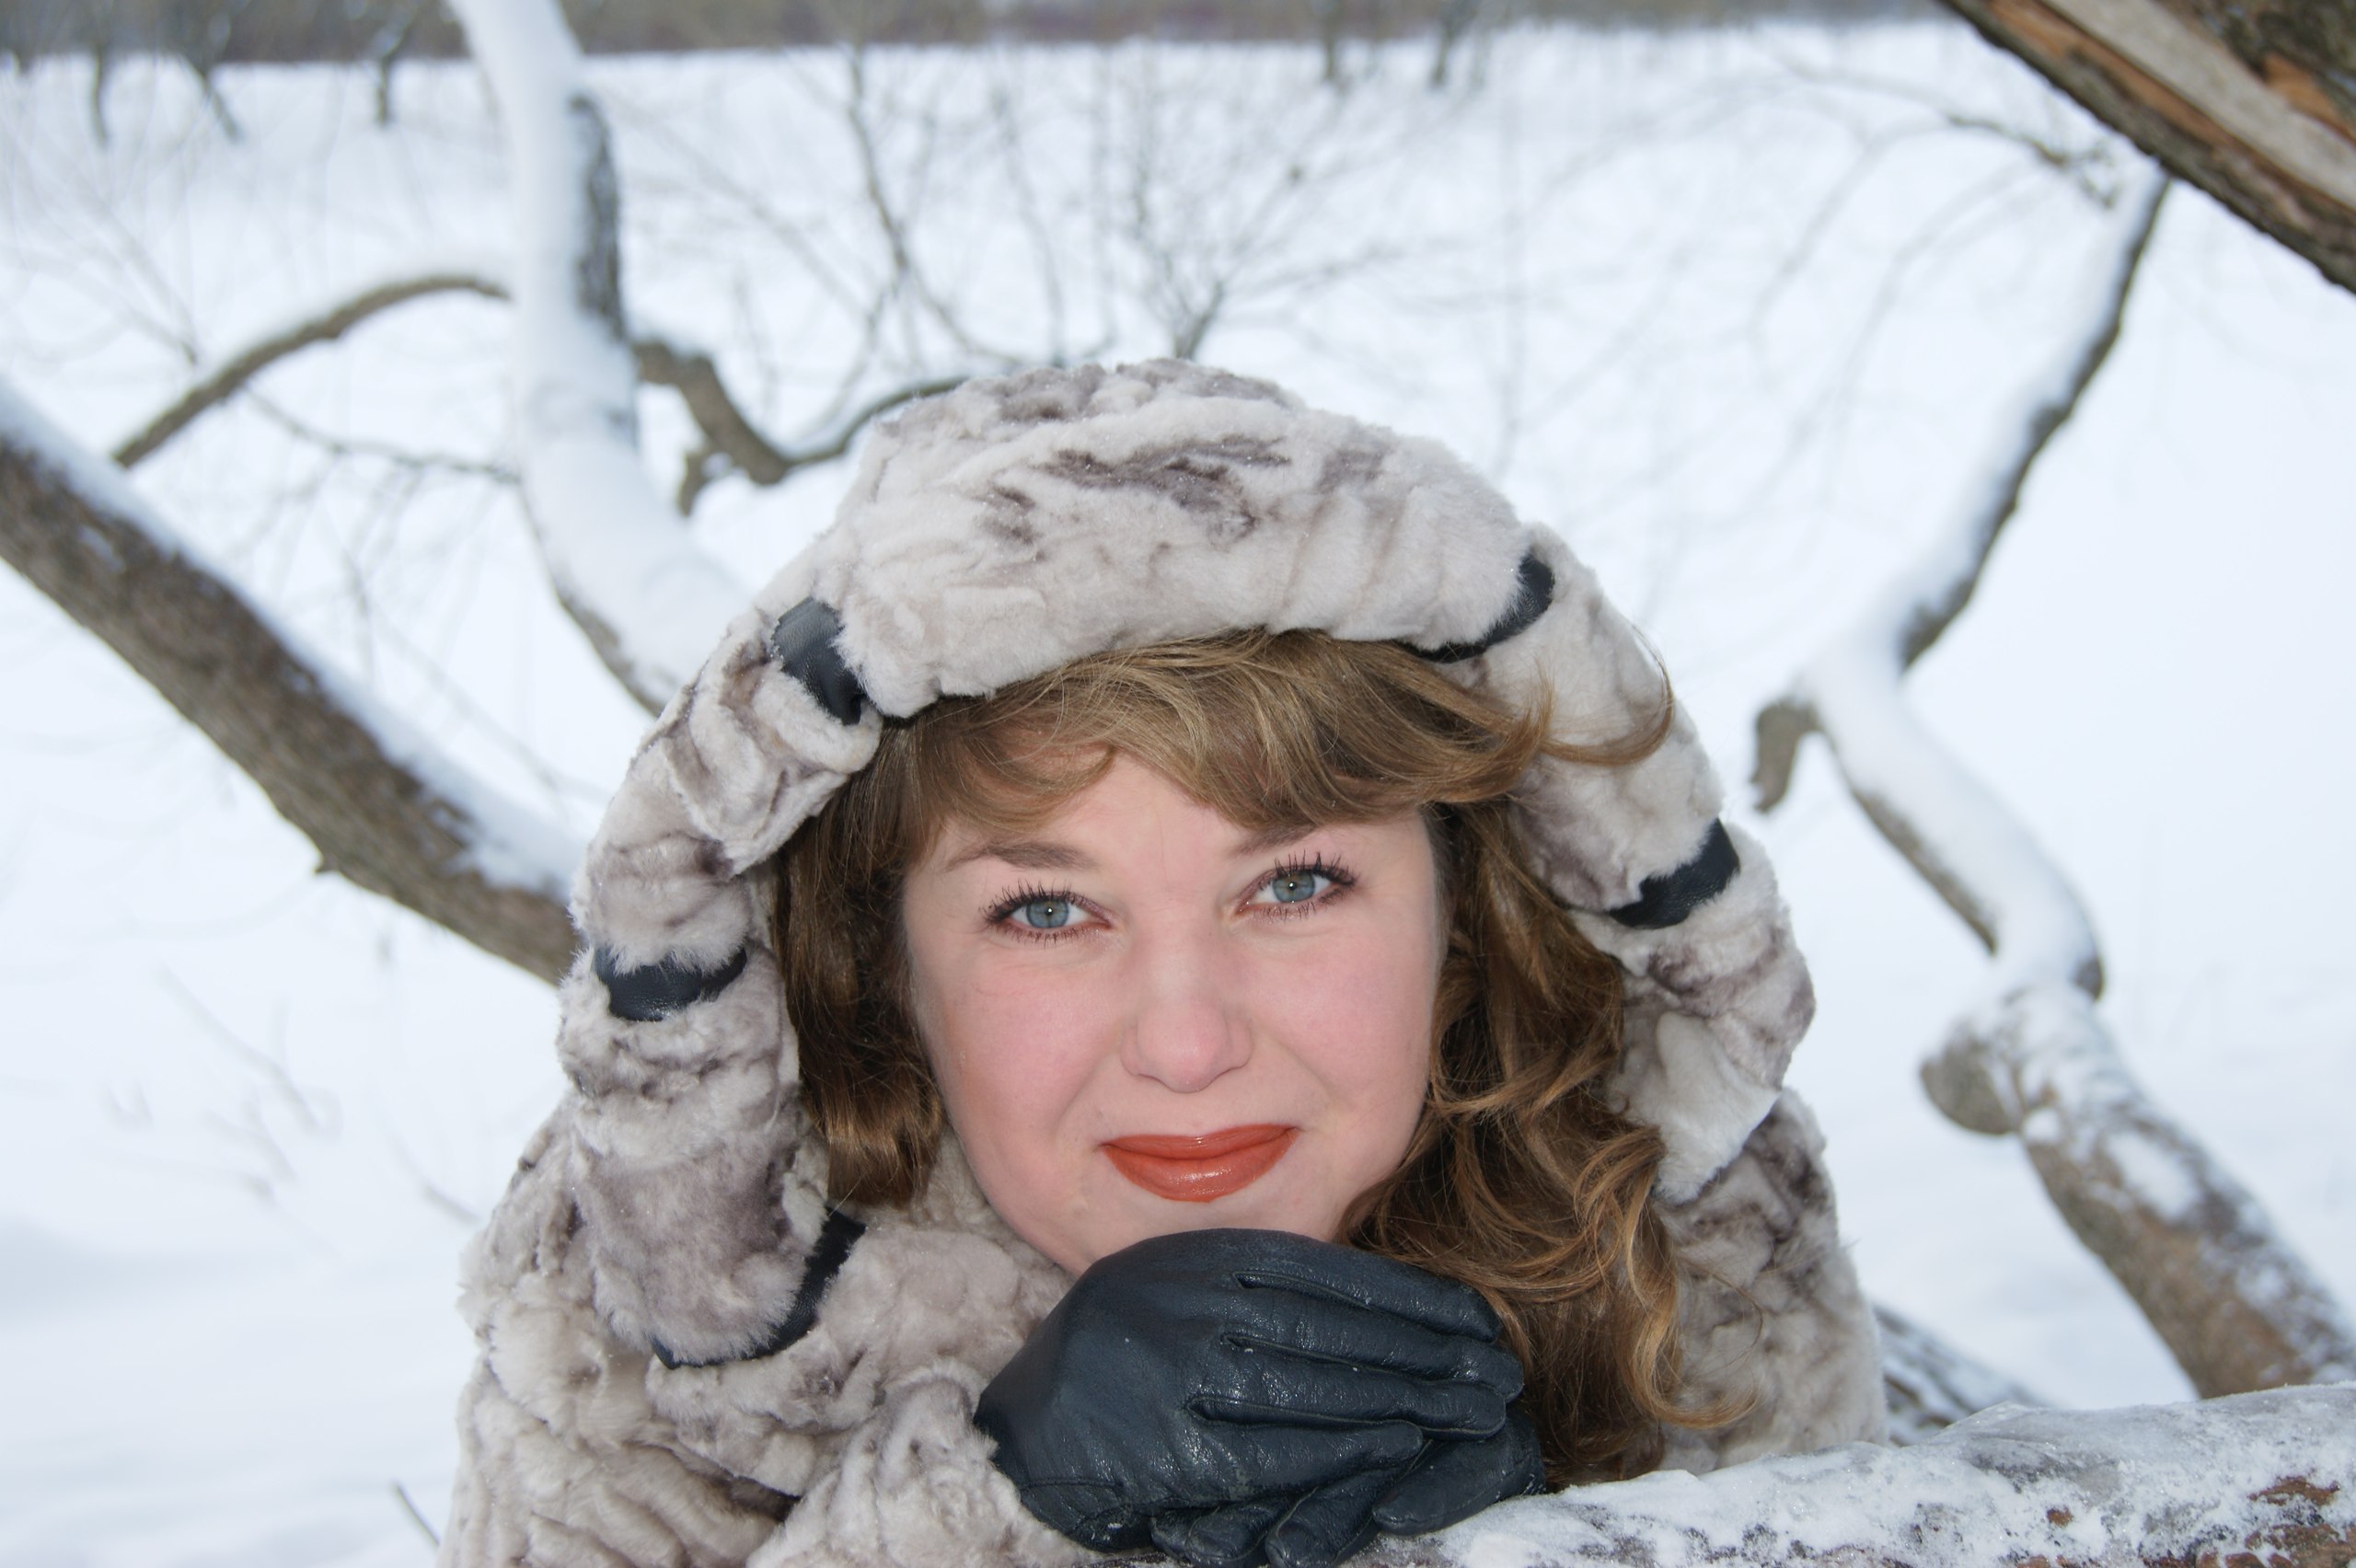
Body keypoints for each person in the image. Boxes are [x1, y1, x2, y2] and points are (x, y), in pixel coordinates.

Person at [439, 362, 1886, 1568]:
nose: (1188, 1047)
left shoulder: (1687, 1251)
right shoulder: (660, 1342)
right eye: (1046, 913)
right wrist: (997, 1516)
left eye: (1295, 884)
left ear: (1461, 921)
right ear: (880, 970)